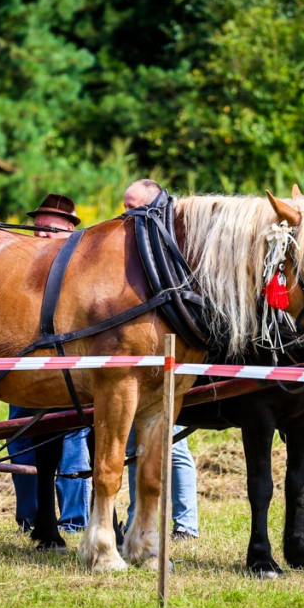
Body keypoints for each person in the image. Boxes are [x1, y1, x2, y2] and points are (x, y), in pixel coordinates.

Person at [8, 193, 92, 533]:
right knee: (20, 438)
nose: (41, 234)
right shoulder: (19, 264)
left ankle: (73, 521)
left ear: (70, 230)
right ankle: (30, 517)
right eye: (38, 228)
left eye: (51, 228)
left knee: (72, 441)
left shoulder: (81, 266)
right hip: (25, 365)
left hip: (68, 368)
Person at [123, 179, 200, 539]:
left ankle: (185, 523)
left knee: (172, 446)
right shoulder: (132, 250)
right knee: (134, 447)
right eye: (124, 208)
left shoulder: (172, 249)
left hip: (163, 365)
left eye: (134, 208)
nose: (127, 216)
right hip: (137, 366)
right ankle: (137, 517)